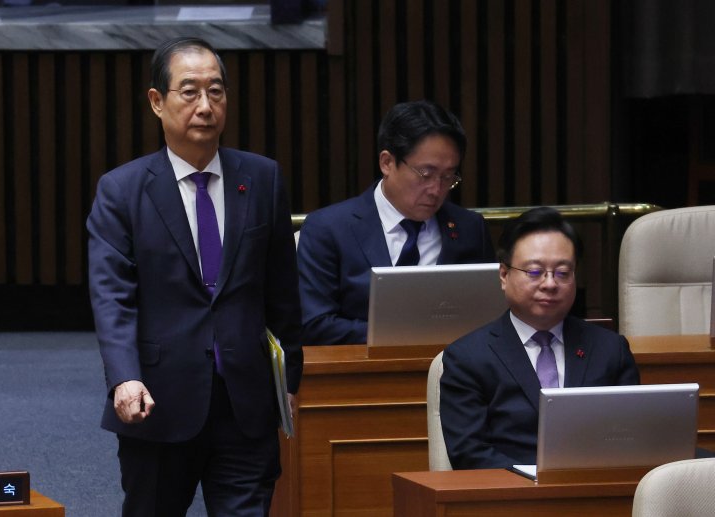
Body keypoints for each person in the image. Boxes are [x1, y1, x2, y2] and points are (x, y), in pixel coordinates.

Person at [86, 36, 302, 516]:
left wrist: (290, 378)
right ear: (157, 101)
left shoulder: (262, 179)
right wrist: (124, 378)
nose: (206, 106)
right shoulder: (123, 190)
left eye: (217, 91)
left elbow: (282, 289)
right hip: (158, 401)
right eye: (190, 92)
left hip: (245, 400)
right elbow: (111, 297)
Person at [440, 206, 640, 469]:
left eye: (562, 273)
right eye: (534, 272)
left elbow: (632, 435)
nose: (549, 283)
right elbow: (469, 453)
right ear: (503, 275)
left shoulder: (610, 349)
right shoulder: (468, 358)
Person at [296, 100, 495, 345]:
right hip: (362, 375)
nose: (436, 189)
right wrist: (406, 334)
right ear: (387, 163)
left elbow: (490, 318)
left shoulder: (469, 228)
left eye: (447, 177)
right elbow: (314, 324)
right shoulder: (328, 229)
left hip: (454, 372)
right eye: (426, 174)